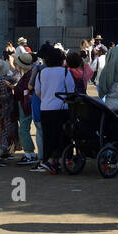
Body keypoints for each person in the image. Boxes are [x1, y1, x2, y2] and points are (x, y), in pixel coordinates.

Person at [32, 43, 75, 173]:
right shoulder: (65, 71)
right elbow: (71, 90)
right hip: (62, 108)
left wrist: (46, 98)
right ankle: (59, 160)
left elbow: (37, 91)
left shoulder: (42, 72)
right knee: (63, 135)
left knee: (48, 136)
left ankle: (49, 160)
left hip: (45, 108)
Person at [0, 56, 20, 165]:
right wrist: (12, 65)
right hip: (9, 108)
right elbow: (17, 76)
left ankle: (1, 153)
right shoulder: (6, 79)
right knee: (7, 132)